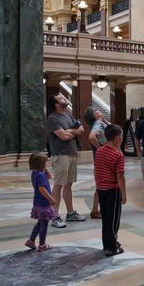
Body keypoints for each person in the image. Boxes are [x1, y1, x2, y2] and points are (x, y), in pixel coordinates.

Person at [46, 93, 86, 228]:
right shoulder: (52, 119)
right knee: (58, 185)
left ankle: (70, 213)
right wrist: (71, 132)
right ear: (56, 104)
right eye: (61, 98)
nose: (64, 99)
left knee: (68, 185)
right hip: (60, 155)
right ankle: (54, 216)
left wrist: (70, 131)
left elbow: (81, 129)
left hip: (72, 154)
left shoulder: (68, 116)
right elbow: (63, 136)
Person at [94, 124, 127, 256]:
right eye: (122, 135)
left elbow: (96, 169)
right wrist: (124, 194)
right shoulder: (117, 154)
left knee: (106, 218)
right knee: (113, 219)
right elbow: (120, 175)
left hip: (101, 188)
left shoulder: (100, 151)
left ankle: (107, 243)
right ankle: (112, 247)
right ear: (118, 137)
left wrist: (97, 184)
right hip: (112, 190)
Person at [25, 153, 56, 252]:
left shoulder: (35, 173)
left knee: (40, 223)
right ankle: (42, 245)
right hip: (43, 203)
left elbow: (50, 176)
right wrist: (51, 198)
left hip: (37, 202)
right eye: (45, 163)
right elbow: (42, 189)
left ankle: (31, 240)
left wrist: (45, 168)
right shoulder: (41, 175)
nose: (46, 164)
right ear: (40, 164)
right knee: (44, 225)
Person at [84, 107, 110, 219]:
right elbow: (91, 137)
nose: (100, 111)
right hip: (102, 160)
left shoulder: (100, 123)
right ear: (94, 116)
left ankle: (96, 210)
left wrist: (103, 119)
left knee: (100, 185)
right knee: (101, 185)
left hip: (100, 160)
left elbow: (112, 128)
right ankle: (95, 210)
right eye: (97, 111)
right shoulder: (98, 124)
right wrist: (100, 148)